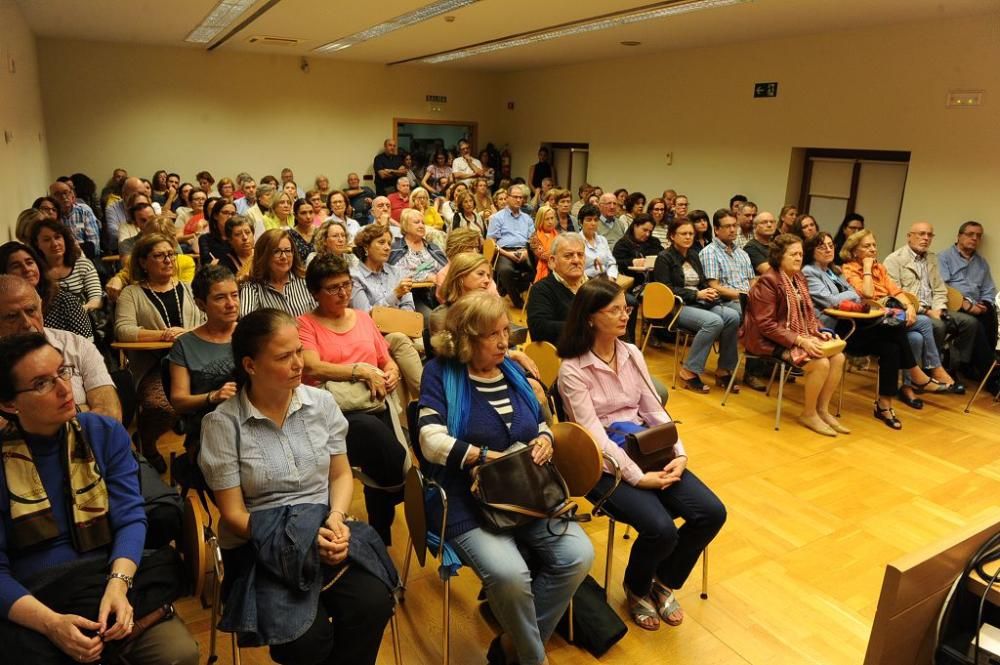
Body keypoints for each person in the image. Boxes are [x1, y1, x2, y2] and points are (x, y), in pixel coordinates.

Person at [198, 309, 395, 664]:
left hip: (323, 527)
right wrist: (301, 541)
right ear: (250, 365)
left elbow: (339, 475)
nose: (298, 364)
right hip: (263, 546)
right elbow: (233, 516)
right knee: (303, 641)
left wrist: (336, 521)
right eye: (283, 356)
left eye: (299, 352)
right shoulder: (223, 425)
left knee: (374, 602)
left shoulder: (321, 404)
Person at [0, 332, 199, 665]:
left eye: (63, 372)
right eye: (41, 384)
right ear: (8, 404)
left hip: (107, 577)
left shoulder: (102, 432)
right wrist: (51, 625)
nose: (65, 389)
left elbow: (131, 517)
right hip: (37, 596)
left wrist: (118, 586)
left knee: (178, 654)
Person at [418, 292, 594, 665]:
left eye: (506, 331)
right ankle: (533, 659)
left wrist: (546, 438)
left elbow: (542, 419)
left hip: (526, 492)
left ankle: (510, 648)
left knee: (578, 555)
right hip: (466, 497)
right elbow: (430, 441)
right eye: (492, 335)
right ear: (466, 339)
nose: (504, 342)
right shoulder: (441, 373)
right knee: (510, 574)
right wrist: (482, 456)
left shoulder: (512, 369)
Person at [557, 279, 725, 630]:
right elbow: (594, 436)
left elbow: (655, 411)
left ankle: (662, 583)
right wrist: (638, 477)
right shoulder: (572, 369)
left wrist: (679, 453)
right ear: (590, 318)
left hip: (646, 448)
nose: (624, 315)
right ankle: (636, 588)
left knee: (711, 513)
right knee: (661, 529)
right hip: (604, 465)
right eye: (614, 310)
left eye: (626, 308)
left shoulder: (631, 352)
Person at [297, 255, 409, 545]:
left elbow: (385, 358)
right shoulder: (306, 324)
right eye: (333, 288)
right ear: (315, 292)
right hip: (332, 413)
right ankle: (409, 495)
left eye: (346, 285)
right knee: (389, 455)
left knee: (382, 466)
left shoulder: (361, 318)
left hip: (374, 402)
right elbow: (311, 367)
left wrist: (391, 371)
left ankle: (379, 535)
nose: (343, 293)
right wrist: (358, 371)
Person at [803, 232, 944, 424]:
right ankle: (915, 373)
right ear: (811, 251)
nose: (828, 249)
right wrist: (851, 297)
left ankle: (885, 405)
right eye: (822, 247)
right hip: (833, 330)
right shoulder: (810, 272)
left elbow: (855, 295)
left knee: (891, 346)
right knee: (895, 327)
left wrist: (850, 297)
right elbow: (833, 300)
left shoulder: (834, 271)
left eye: (830, 245)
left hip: (853, 324)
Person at [741, 234, 848, 436]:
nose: (799, 258)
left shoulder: (798, 278)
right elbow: (766, 325)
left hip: (796, 335)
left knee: (838, 357)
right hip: (767, 340)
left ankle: (822, 410)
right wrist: (799, 340)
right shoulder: (768, 282)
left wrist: (821, 331)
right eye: (793, 254)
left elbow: (809, 313)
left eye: (800, 253)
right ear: (779, 256)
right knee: (820, 363)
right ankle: (809, 413)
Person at [115, 233, 205, 469]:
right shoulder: (131, 293)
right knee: (161, 406)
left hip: (195, 361)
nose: (168, 260)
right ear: (143, 262)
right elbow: (123, 330)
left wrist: (186, 333)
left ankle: (199, 450)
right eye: (159, 256)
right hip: (154, 366)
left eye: (171, 255)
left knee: (218, 396)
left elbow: (208, 321)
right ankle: (147, 441)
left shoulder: (188, 288)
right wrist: (164, 334)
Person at [840, 229, 964, 393]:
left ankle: (909, 386)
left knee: (916, 337)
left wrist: (910, 307)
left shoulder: (880, 268)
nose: (873, 249)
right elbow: (867, 294)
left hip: (891, 315)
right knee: (926, 322)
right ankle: (931, 372)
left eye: (874, 245)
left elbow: (896, 291)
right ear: (854, 250)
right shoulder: (849, 269)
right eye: (867, 246)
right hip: (870, 319)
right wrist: (867, 267)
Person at [0, 275, 119, 420]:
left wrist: (44, 417)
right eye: (12, 316)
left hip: (86, 441)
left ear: (41, 307)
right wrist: (83, 408)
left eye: (31, 311)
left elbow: (110, 415)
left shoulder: (77, 345)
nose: (26, 323)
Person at [884, 221, 987, 381]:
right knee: (939, 325)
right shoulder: (894, 260)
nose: (926, 238)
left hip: (935, 308)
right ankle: (930, 371)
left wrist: (939, 308)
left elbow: (940, 289)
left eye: (929, 235)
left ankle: (953, 367)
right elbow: (896, 296)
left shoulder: (932, 258)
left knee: (970, 323)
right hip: (912, 311)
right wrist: (927, 311)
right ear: (909, 237)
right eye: (921, 234)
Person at [653, 219, 740, 393]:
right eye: (683, 234)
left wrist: (707, 291)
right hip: (677, 306)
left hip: (699, 302)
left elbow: (700, 282)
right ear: (672, 236)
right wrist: (696, 294)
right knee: (714, 322)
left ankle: (723, 368)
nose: (688, 237)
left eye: (691, 234)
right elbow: (666, 289)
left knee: (733, 316)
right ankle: (688, 370)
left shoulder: (693, 255)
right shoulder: (664, 257)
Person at [167, 265, 238, 473]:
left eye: (234, 295)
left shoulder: (251, 334)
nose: (231, 304)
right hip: (208, 435)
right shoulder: (185, 345)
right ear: (201, 304)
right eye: (220, 298)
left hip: (254, 426)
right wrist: (213, 396)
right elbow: (179, 401)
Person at [939, 221, 998, 382]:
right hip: (955, 305)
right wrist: (967, 304)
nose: (974, 238)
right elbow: (943, 287)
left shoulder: (981, 263)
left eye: (978, 236)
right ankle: (991, 377)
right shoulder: (944, 257)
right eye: (970, 234)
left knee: (990, 317)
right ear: (959, 236)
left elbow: (989, 289)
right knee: (975, 324)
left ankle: (978, 368)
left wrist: (985, 305)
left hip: (976, 305)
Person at [0, 242, 93, 341]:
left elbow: (85, 345)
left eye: (29, 262)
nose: (26, 269)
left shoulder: (66, 302)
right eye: (16, 266)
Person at [29, 219, 103, 321]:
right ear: (37, 244)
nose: (54, 244)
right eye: (47, 240)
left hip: (84, 320)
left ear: (65, 239)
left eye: (57, 237)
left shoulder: (83, 265)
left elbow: (96, 299)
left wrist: (77, 313)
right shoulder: (36, 272)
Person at [238, 229, 315, 318]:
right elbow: (247, 323)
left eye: (287, 250)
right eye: (276, 251)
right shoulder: (252, 288)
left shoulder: (305, 280)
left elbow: (320, 315)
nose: (284, 257)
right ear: (263, 255)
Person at [388, 209, 447, 319]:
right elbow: (396, 273)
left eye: (422, 222)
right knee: (433, 319)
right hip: (413, 296)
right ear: (405, 226)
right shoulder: (396, 248)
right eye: (416, 222)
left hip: (438, 293)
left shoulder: (433, 247)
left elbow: (447, 269)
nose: (421, 225)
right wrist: (426, 276)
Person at [698, 209, 755, 317]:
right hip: (726, 302)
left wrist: (754, 296)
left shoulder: (742, 253)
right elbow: (714, 286)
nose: (733, 230)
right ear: (716, 229)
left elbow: (752, 281)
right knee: (755, 314)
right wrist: (744, 296)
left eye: (734, 225)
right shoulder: (709, 252)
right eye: (728, 226)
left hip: (747, 299)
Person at [48, 180, 101, 256]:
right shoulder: (51, 215)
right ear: (51, 198)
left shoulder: (84, 211)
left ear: (72, 194)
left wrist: (67, 250)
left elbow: (94, 247)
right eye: (57, 194)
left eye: (66, 192)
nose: (63, 197)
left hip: (85, 258)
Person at [613, 213, 663, 277]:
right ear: (635, 226)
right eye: (644, 230)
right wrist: (632, 262)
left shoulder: (654, 242)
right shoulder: (623, 244)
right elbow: (616, 262)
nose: (647, 234)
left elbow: (663, 257)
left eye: (650, 231)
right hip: (632, 280)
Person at [578, 204, 618, 281]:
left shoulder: (602, 240)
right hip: (586, 282)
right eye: (589, 220)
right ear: (580, 222)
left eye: (596, 220)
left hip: (606, 279)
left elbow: (611, 263)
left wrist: (611, 277)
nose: (593, 223)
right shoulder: (575, 241)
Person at [219, 215, 255, 281]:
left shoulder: (263, 255)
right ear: (230, 240)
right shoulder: (224, 263)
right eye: (238, 234)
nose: (245, 237)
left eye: (248, 232)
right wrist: (241, 280)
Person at [530, 205, 559, 283]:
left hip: (558, 266)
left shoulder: (558, 234)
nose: (550, 222)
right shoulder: (534, 237)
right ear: (540, 220)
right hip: (546, 269)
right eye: (547, 219)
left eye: (552, 218)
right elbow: (544, 256)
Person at [289, 199, 317, 263]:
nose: (308, 217)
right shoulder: (289, 235)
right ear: (295, 215)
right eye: (303, 213)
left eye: (311, 212)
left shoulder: (321, 232)